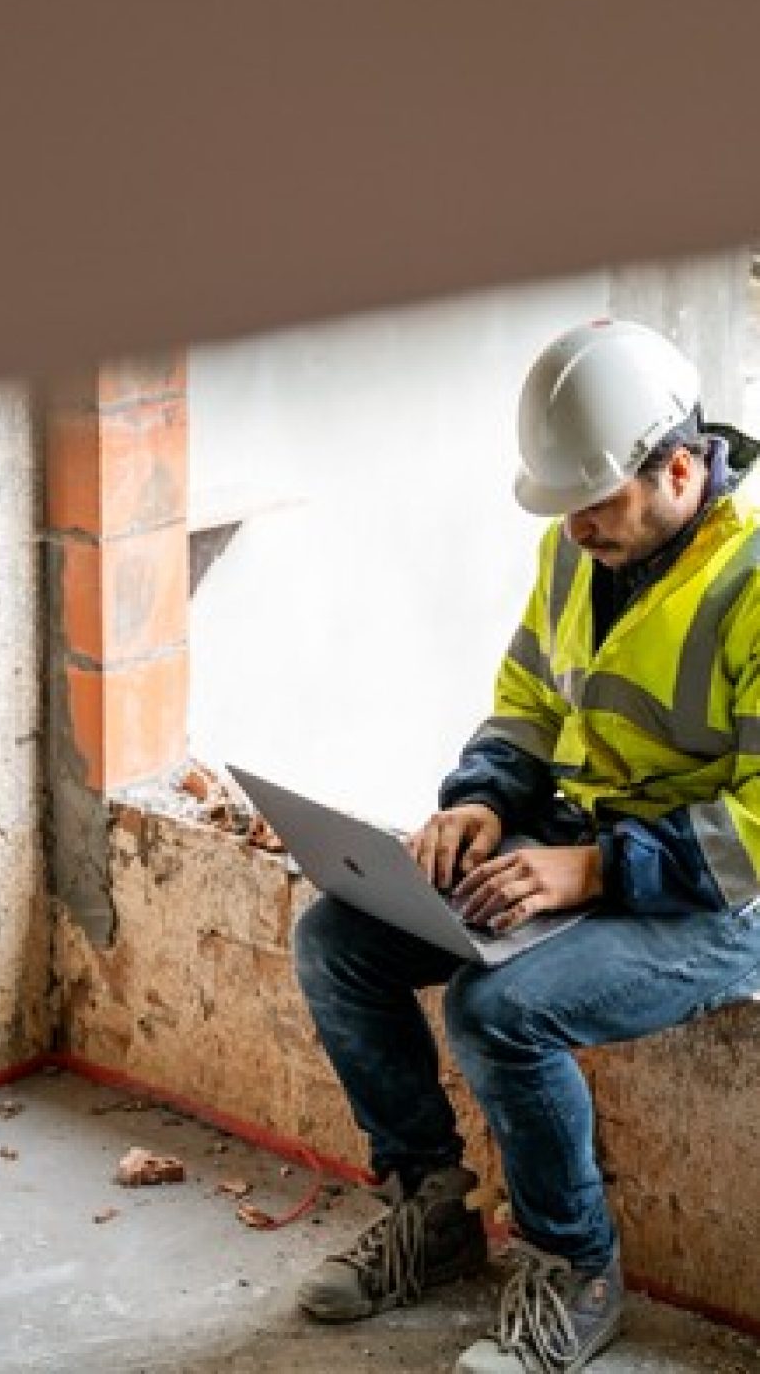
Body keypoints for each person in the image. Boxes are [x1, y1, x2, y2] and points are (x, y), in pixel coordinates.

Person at [292, 319, 760, 1373]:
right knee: (336, 939)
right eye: (562, 504)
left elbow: (757, 832)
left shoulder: (754, 587)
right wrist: (485, 805)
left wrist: (595, 870)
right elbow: (525, 704)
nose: (572, 526)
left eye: (593, 502)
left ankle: (575, 1267)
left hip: (716, 902)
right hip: (586, 843)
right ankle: (435, 1212)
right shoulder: (577, 546)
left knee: (498, 1010)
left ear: (679, 471)